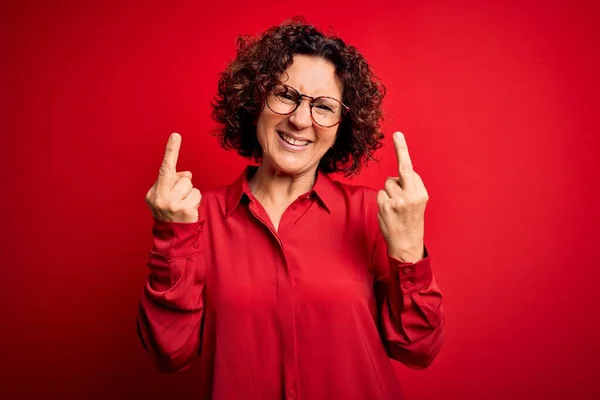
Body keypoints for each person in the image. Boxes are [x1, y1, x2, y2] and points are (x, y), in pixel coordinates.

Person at [137, 17, 445, 400]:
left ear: (341, 126)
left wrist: (409, 251)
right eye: (285, 95)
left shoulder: (373, 214)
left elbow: (417, 349)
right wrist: (172, 237)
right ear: (255, 100)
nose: (300, 120)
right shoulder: (196, 218)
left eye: (323, 106)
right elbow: (169, 353)